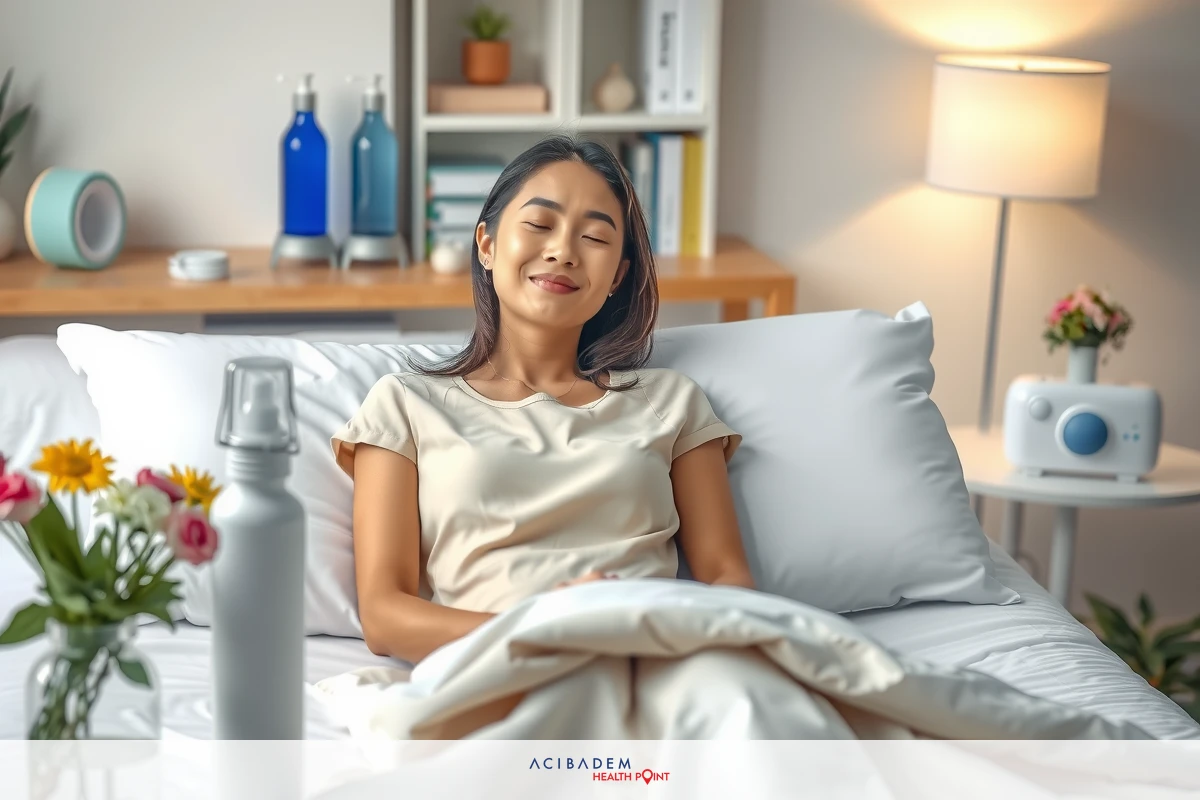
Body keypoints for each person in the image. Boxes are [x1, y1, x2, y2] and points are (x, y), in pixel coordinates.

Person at [331, 135, 755, 666]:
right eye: (538, 224)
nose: (563, 251)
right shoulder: (405, 405)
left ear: (617, 277)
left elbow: (728, 579)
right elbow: (384, 616)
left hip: (648, 666)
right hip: (500, 674)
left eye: (596, 238)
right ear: (486, 244)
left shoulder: (671, 402)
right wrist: (546, 633)